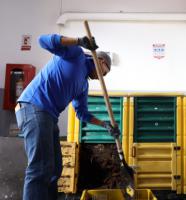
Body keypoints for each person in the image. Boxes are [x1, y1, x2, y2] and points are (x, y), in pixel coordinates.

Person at [15, 34, 120, 200]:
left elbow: (82, 113)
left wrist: (105, 125)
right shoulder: (76, 54)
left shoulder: (83, 85)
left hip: (49, 116)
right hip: (34, 107)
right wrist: (78, 41)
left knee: (55, 169)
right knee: (40, 168)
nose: (103, 78)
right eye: (105, 73)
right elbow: (43, 41)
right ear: (100, 61)